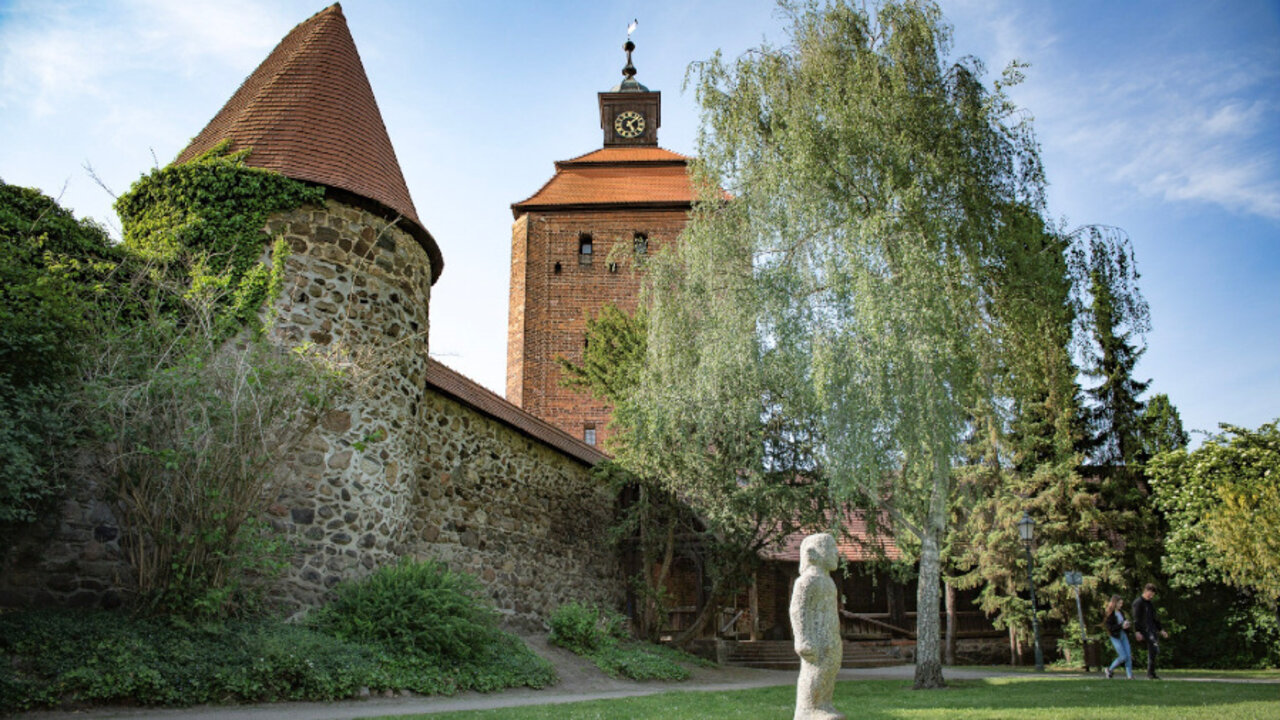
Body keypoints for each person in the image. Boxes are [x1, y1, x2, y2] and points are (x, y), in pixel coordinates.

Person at [1131, 583, 1169, 679]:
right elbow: (1136, 618)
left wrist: (1161, 630)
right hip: (1144, 630)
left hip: (1152, 629)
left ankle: (1151, 673)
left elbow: (1154, 619)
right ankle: (1149, 672)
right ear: (1147, 591)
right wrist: (1137, 631)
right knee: (1154, 646)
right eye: (1151, 594)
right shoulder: (1138, 602)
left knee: (1153, 652)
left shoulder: (1150, 604)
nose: (1152, 596)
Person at [1102, 594, 1133, 679]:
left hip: (1123, 634)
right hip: (1115, 636)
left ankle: (1129, 676)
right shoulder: (1110, 614)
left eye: (1121, 603)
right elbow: (1110, 628)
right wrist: (1121, 625)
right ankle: (1110, 669)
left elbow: (1122, 624)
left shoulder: (1121, 612)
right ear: (1115, 603)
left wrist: (1126, 626)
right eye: (1119, 603)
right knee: (1123, 656)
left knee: (1128, 655)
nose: (1121, 605)